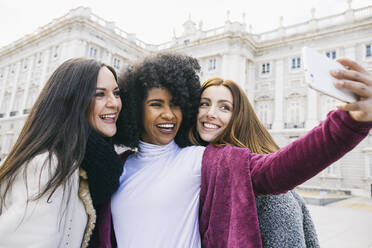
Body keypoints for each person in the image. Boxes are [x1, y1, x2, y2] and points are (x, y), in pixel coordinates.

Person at [95, 53, 372, 248]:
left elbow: (279, 169)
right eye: (157, 104)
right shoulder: (115, 167)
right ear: (135, 109)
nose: (170, 114)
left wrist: (349, 123)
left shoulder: (200, 159)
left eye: (177, 103)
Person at [0, 58, 123, 247]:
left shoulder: (86, 163)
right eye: (100, 94)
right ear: (73, 100)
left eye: (116, 93)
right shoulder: (48, 166)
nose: (114, 103)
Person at [189, 77, 319, 247]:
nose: (211, 113)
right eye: (204, 104)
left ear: (239, 117)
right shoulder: (197, 160)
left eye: (224, 107)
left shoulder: (267, 189)